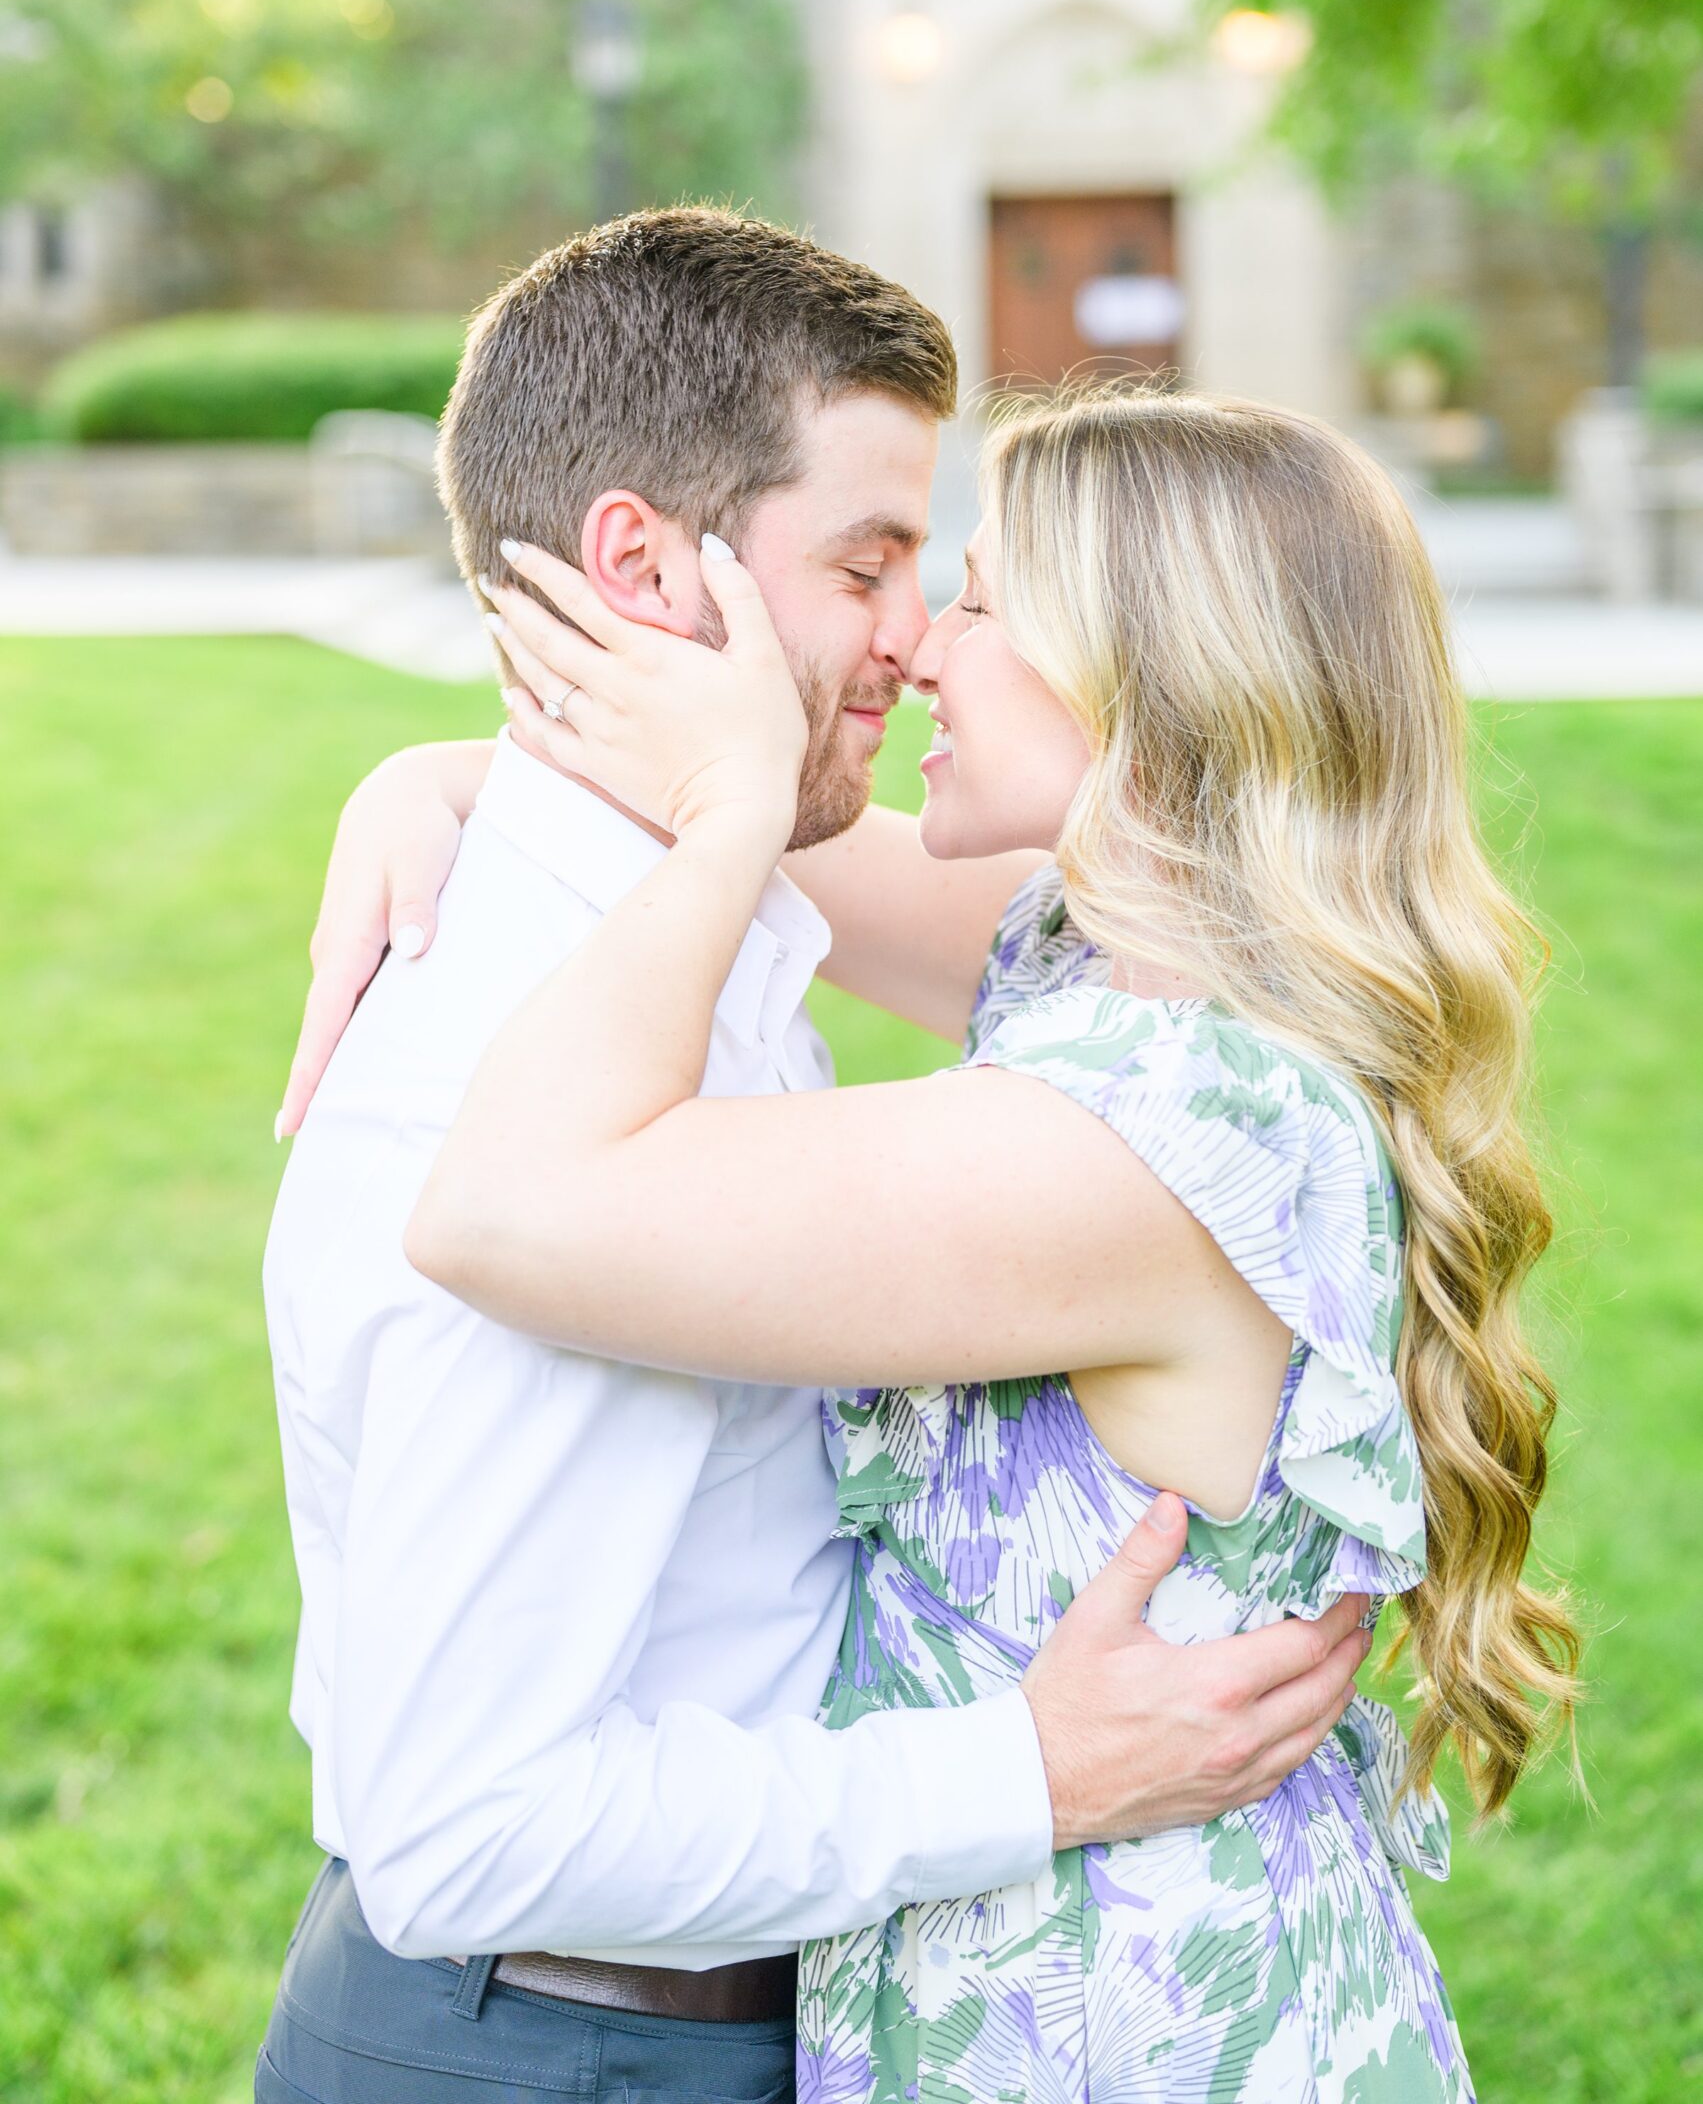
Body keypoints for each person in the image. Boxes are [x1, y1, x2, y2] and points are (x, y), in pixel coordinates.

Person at [258, 212, 1373, 2104]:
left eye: (954, 587)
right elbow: (469, 1830)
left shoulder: (744, 927)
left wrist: (517, 779)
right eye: (867, 565)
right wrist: (1036, 1770)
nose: (914, 638)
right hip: (567, 2043)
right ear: (640, 565)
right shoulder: (525, 1067)